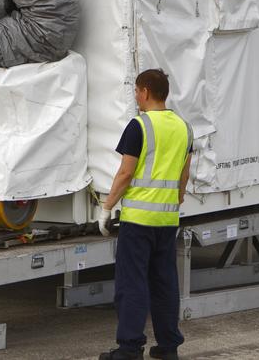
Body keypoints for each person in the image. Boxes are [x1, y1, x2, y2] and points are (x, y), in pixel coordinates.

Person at [97, 69, 193, 360]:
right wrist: (173, 202)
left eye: (137, 90)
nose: (136, 95)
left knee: (132, 283)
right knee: (165, 284)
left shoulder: (139, 126)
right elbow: (183, 175)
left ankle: (129, 349)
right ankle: (168, 347)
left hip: (138, 221)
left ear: (147, 92)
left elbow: (126, 172)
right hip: (167, 220)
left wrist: (106, 207)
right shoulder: (184, 127)